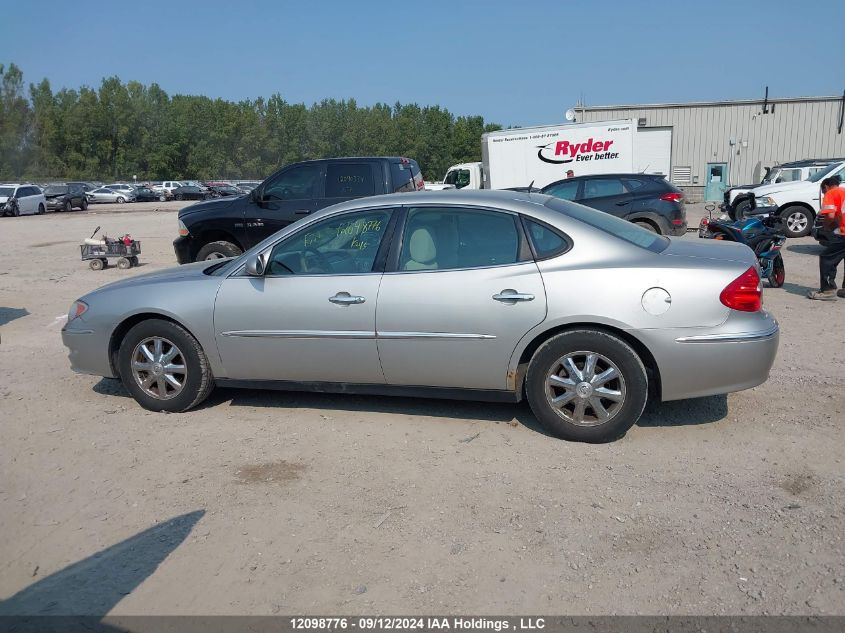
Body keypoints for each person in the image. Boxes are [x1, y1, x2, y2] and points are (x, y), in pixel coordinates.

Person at [807, 177, 845, 300]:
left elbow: (830, 215)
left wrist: (827, 226)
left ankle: (828, 290)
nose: (824, 194)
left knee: (827, 258)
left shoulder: (831, 193)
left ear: (826, 186)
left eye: (823, 191)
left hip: (843, 233)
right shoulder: (844, 192)